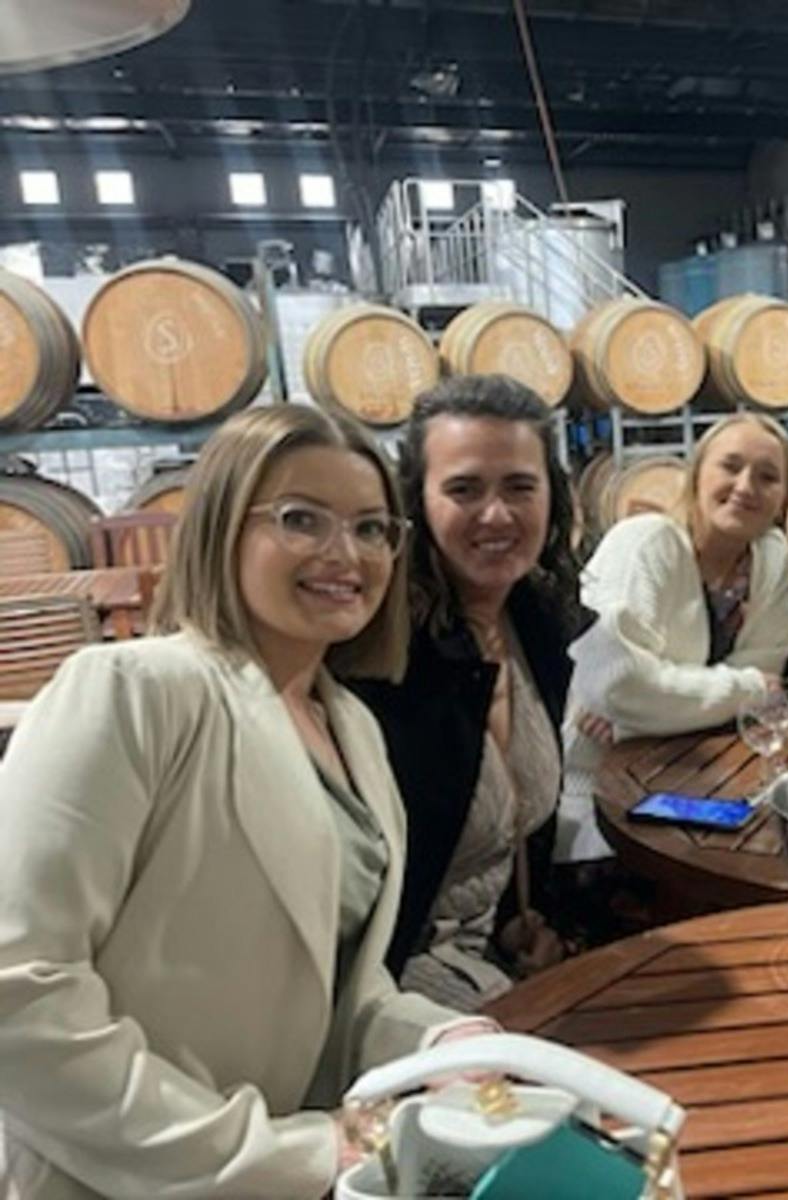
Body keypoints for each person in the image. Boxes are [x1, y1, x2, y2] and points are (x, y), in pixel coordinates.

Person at [0, 406, 490, 1199]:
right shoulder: (135, 690)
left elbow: (332, 991)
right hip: (107, 1177)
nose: (346, 554)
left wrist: (439, 1039)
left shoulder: (351, 724)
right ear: (223, 527)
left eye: (372, 528)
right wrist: (274, 1152)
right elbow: (17, 991)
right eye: (302, 519)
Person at [347, 375, 583, 1008]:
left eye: (519, 487)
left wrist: (517, 919)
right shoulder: (379, 652)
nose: (497, 514)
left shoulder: (535, 621)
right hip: (391, 988)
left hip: (492, 964)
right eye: (463, 489)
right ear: (416, 501)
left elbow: (502, 831)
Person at [568, 411, 788, 741]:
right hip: (601, 772)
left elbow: (768, 662)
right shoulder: (645, 544)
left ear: (784, 502)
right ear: (695, 477)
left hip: (702, 755)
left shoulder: (770, 556)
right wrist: (748, 690)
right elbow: (615, 683)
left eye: (767, 477)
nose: (746, 486)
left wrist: (645, 711)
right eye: (730, 467)